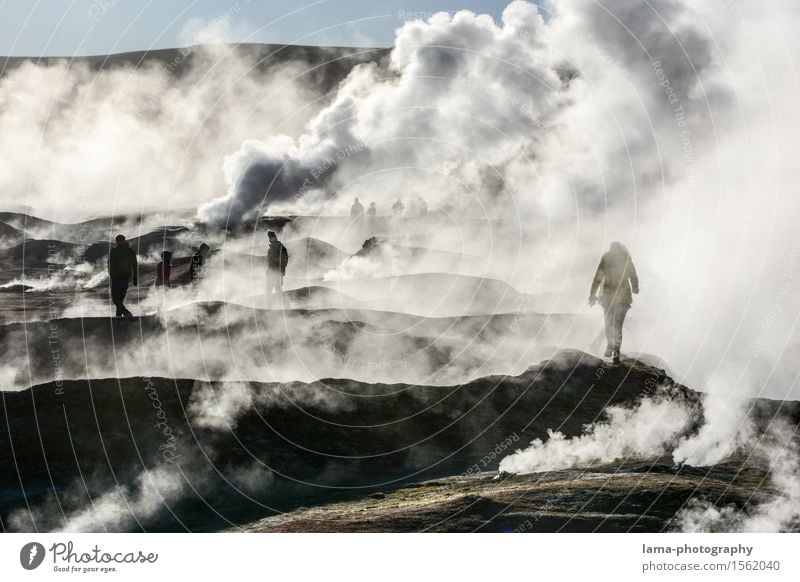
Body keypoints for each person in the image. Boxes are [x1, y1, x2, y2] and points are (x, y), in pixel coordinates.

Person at [589, 242, 639, 364]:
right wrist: (635, 288)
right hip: (622, 298)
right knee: (617, 325)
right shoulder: (626, 258)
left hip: (608, 297)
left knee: (609, 323)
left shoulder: (606, 257)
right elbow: (633, 275)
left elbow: (597, 277)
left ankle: (610, 346)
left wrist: (592, 295)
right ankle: (615, 352)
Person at [108, 234, 137, 317]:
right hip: (125, 278)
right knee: (120, 300)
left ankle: (127, 313)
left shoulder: (114, 251)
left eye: (118, 241)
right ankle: (118, 317)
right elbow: (134, 265)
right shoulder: (130, 251)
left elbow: (110, 265)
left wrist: (112, 276)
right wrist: (135, 278)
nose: (117, 242)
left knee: (116, 300)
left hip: (117, 278)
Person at [266, 230, 289, 303]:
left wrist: (281, 270)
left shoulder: (281, 248)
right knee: (269, 289)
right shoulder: (271, 249)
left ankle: (283, 306)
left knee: (277, 289)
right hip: (271, 272)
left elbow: (284, 260)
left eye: (272, 237)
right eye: (270, 237)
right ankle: (268, 306)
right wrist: (268, 271)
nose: (271, 239)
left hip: (277, 272)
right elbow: (269, 262)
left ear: (275, 237)